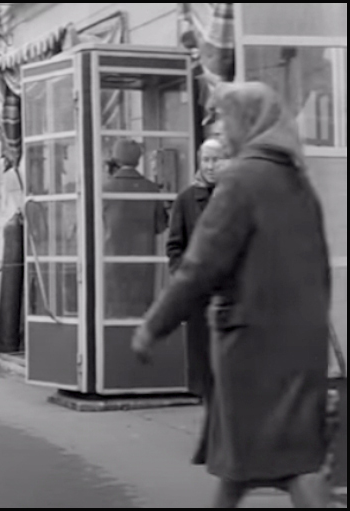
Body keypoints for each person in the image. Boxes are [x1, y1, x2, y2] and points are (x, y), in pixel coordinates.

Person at [133, 82, 332, 508]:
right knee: (284, 460)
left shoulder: (241, 179)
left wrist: (153, 326)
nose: (221, 131)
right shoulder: (297, 180)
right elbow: (320, 270)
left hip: (252, 346)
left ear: (248, 121)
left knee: (247, 460)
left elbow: (200, 265)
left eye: (226, 119)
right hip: (301, 343)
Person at [165, 138, 229, 421]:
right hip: (201, 296)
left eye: (217, 159)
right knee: (205, 362)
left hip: (234, 295)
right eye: (206, 160)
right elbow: (174, 247)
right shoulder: (186, 200)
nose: (211, 166)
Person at [103, 139, 170, 319]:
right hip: (145, 259)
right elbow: (160, 225)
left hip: (113, 258)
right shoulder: (151, 188)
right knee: (141, 310)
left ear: (116, 158)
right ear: (139, 159)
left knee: (115, 310)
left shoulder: (105, 189)